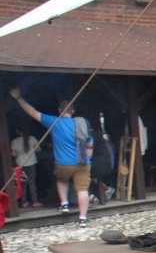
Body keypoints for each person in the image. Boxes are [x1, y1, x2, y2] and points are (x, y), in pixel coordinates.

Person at [7, 87, 92, 227]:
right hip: (82, 162)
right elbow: (89, 145)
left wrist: (18, 98)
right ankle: (83, 218)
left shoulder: (55, 121)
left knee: (61, 180)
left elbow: (32, 112)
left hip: (63, 163)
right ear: (73, 112)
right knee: (82, 189)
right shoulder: (81, 124)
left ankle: (64, 204)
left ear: (59, 111)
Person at [9, 124, 42, 208]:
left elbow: (13, 154)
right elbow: (38, 149)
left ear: (17, 131)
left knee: (22, 184)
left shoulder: (14, 141)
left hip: (20, 164)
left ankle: (24, 202)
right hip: (31, 163)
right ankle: (35, 202)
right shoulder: (32, 138)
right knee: (32, 183)